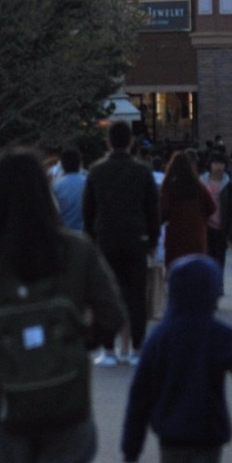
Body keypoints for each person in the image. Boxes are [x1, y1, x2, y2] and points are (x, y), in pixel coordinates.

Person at [0, 149, 128, 463]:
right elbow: (112, 314)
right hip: (67, 396)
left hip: (8, 400)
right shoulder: (77, 250)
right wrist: (80, 341)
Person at [121, 256, 232, 463]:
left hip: (170, 430)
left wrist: (131, 444)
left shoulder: (161, 337)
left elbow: (140, 393)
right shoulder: (221, 335)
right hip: (208, 430)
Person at [83, 120, 160, 367]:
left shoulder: (96, 171)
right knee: (136, 296)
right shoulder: (143, 171)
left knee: (105, 295)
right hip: (136, 239)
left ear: (107, 142)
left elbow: (88, 210)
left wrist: (92, 237)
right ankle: (137, 349)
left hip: (105, 239)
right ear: (131, 142)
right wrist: (153, 239)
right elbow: (153, 210)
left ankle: (109, 349)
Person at [160, 151, 216, 272]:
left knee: (175, 272)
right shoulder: (198, 186)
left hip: (175, 236)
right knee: (197, 271)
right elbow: (212, 207)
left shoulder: (169, 186)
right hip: (196, 235)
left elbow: (162, 212)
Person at [203, 156, 232, 270]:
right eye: (215, 163)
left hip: (222, 228)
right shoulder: (201, 183)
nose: (219, 167)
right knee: (206, 261)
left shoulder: (229, 185)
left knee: (219, 261)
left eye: (221, 164)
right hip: (205, 228)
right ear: (210, 165)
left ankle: (218, 286)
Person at [53, 147, 88, 231]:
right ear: (80, 163)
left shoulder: (56, 186)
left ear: (62, 165)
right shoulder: (89, 182)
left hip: (65, 234)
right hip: (87, 235)